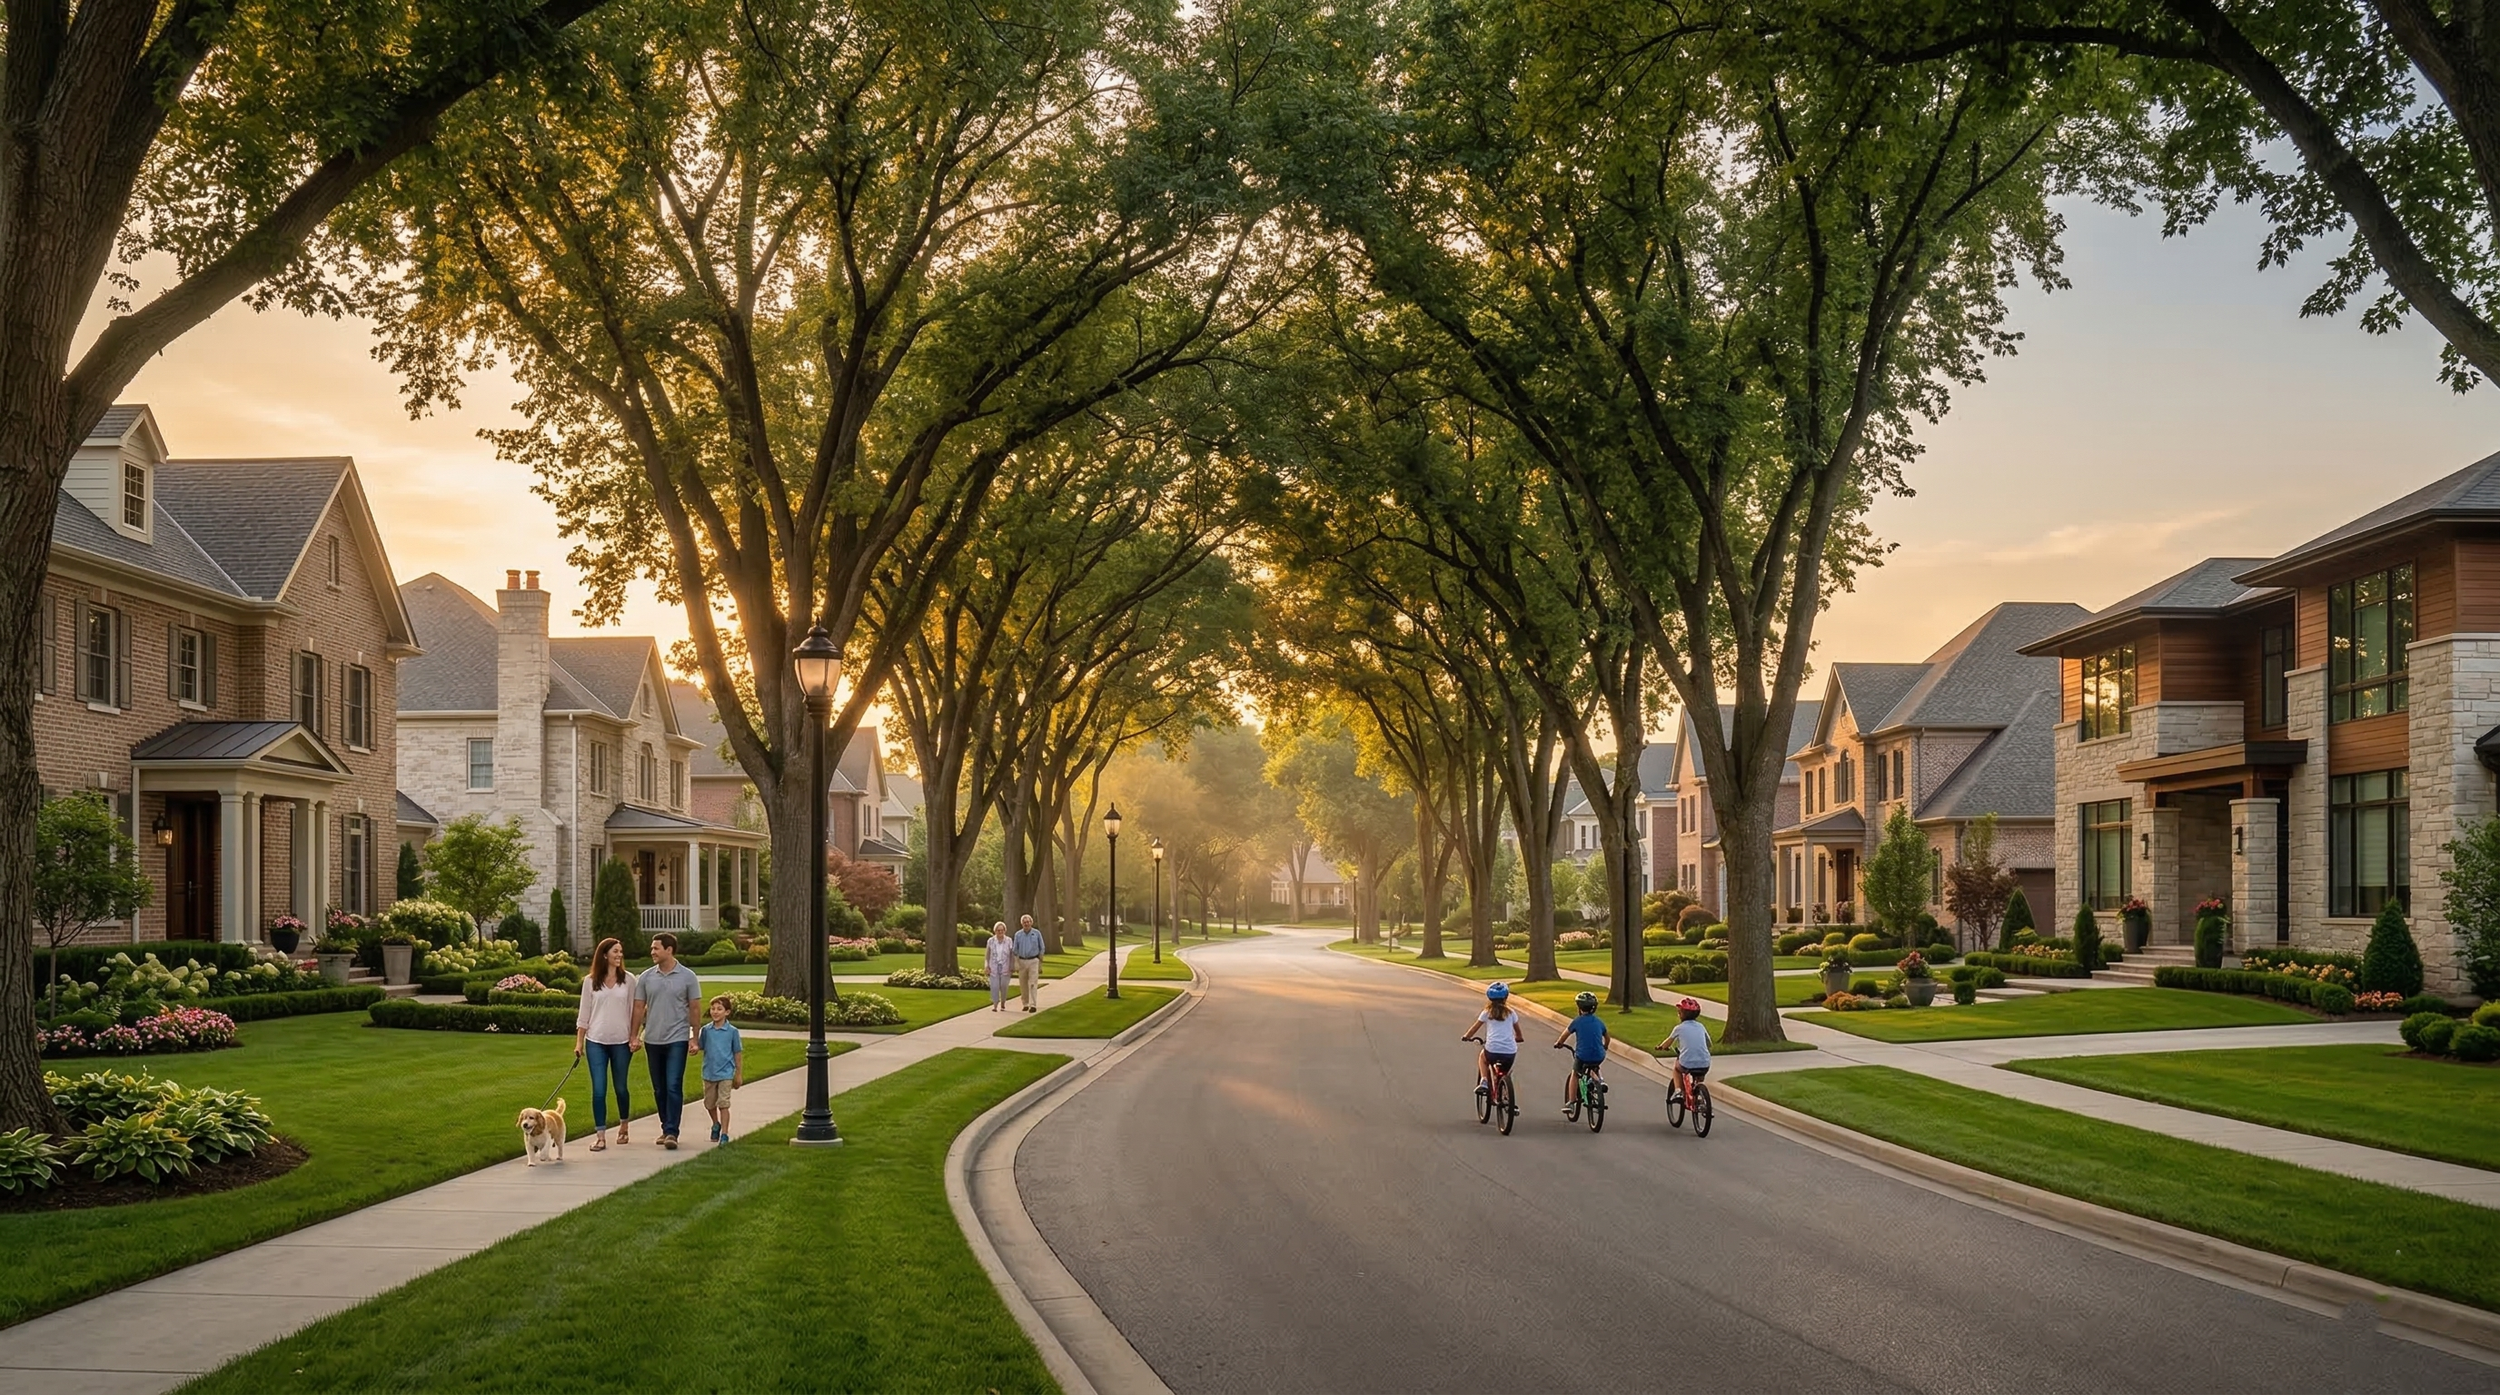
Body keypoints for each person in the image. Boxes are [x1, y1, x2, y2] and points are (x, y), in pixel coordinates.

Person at [630, 931, 704, 1149]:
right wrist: (634, 1035)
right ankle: (666, 1126)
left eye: (656, 948)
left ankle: (672, 1131)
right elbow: (638, 1008)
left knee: (673, 1085)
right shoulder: (646, 977)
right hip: (653, 1039)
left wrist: (694, 1037)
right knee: (659, 1088)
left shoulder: (688, 976)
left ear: (669, 950)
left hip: (678, 1038)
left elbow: (695, 1008)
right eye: (652, 948)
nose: (652, 951)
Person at [574, 936, 637, 1150]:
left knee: (620, 1088)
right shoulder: (590, 981)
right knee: (599, 1090)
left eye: (621, 951)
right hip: (596, 1042)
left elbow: (636, 1012)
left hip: (621, 1042)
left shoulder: (629, 980)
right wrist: (579, 1043)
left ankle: (624, 1126)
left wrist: (635, 1036)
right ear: (604, 955)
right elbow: (584, 1013)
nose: (619, 955)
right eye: (615, 951)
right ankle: (600, 1136)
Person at [1552, 989, 1611, 1112]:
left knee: (1575, 1073)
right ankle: (1600, 1081)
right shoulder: (1599, 1021)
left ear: (1579, 1008)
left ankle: (1572, 1102)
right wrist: (1605, 1046)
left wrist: (1559, 1043)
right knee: (1595, 1066)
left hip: (1583, 1055)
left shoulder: (1577, 1021)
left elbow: (1564, 1035)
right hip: (1599, 1054)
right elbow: (1607, 1037)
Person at [696, 994, 744, 1144]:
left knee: (723, 1103)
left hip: (726, 1073)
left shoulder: (732, 1032)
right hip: (709, 1072)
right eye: (713, 1008)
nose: (715, 1012)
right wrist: (692, 1046)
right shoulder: (706, 1031)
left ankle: (724, 1133)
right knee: (709, 1104)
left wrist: (738, 1073)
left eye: (719, 1009)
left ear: (727, 1012)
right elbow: (700, 1047)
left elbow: (737, 1053)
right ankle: (715, 1124)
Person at [1460, 982, 1521, 1097]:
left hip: (1492, 1049)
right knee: (1505, 1072)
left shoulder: (1487, 1013)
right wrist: (1517, 1038)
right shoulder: (1511, 1013)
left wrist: (1467, 1036)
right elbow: (1519, 1034)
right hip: (1509, 1052)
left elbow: (1474, 1028)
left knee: (1483, 1057)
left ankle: (1484, 1080)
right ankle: (1506, 1093)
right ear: (1506, 997)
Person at [1656, 997, 1713, 1105]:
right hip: (1704, 1062)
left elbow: (1668, 1042)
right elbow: (1709, 1043)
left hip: (1687, 1062)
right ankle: (1699, 1093)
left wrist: (1661, 1047)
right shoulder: (1701, 1026)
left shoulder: (1679, 1028)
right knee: (1700, 1073)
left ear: (1681, 1014)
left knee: (1677, 1069)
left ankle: (1678, 1092)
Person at [1011, 915, 1046, 1013]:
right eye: (1024, 922)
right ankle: (1025, 1003)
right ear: (1021, 923)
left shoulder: (1036, 933)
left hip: (1033, 960)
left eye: (1028, 922)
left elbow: (1042, 948)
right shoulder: (1018, 935)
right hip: (1022, 961)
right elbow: (1015, 950)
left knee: (1032, 983)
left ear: (1031, 922)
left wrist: (1040, 963)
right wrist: (1016, 963)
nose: (1026, 924)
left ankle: (1033, 1004)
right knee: (1023, 984)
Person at [984, 922, 1015, 1012]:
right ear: (995, 931)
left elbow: (1012, 955)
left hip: (1006, 967)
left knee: (1004, 986)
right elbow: (987, 955)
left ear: (1005, 931)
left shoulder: (1009, 940)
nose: (1000, 932)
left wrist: (1012, 966)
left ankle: (1003, 1002)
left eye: (1002, 930)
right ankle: (995, 1005)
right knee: (994, 986)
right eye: (998, 930)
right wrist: (986, 966)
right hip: (993, 966)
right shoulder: (990, 941)